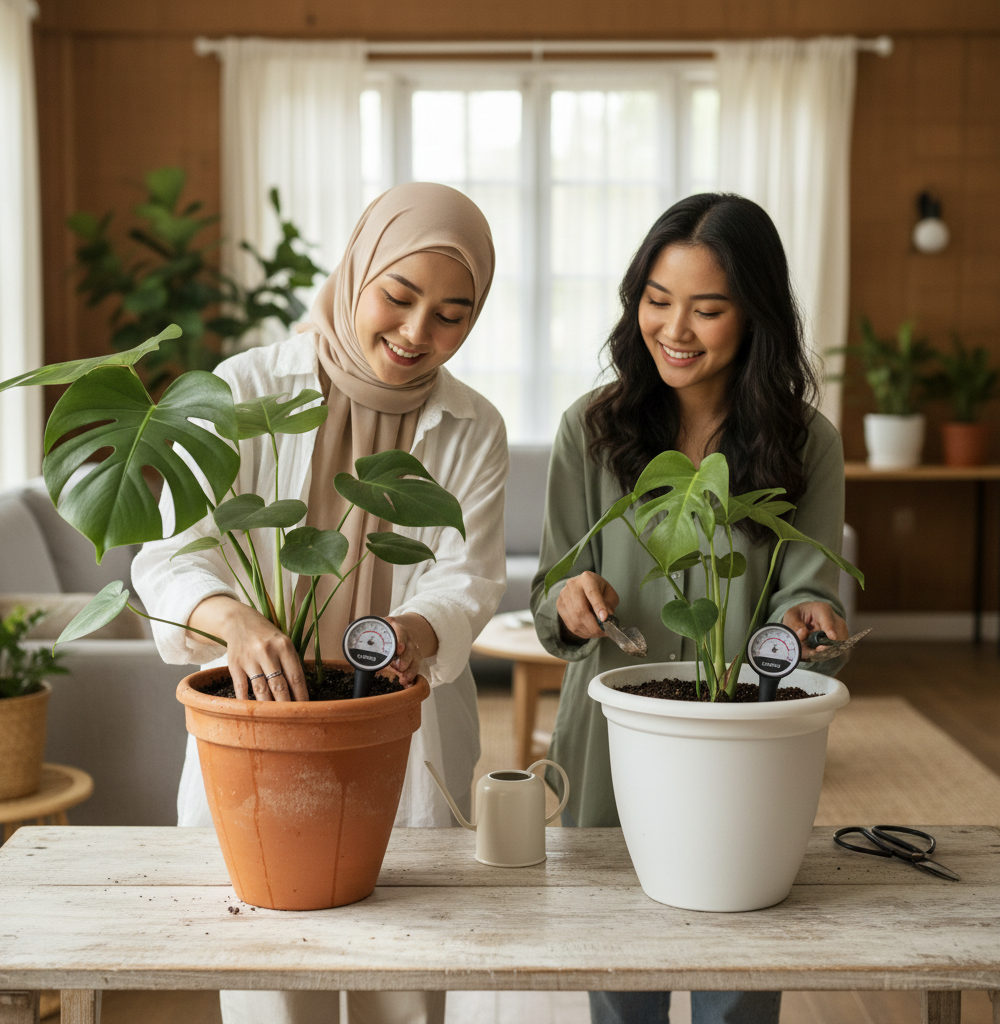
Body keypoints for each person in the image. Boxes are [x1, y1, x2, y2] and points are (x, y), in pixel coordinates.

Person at [132, 181, 508, 1024]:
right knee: (274, 979)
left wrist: (414, 625)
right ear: (356, 271)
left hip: (392, 726)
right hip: (261, 723)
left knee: (403, 982)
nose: (418, 335)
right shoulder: (243, 389)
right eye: (399, 297)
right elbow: (170, 556)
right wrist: (233, 619)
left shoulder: (471, 424)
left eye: (452, 314)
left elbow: (468, 576)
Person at [530, 192, 850, 1024]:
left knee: (739, 966)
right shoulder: (590, 430)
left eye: (707, 309)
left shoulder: (805, 440)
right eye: (657, 301)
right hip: (612, 731)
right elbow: (549, 593)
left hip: (748, 733)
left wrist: (808, 619)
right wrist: (569, 599)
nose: (675, 329)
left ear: (757, 315)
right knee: (617, 964)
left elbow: (807, 585)